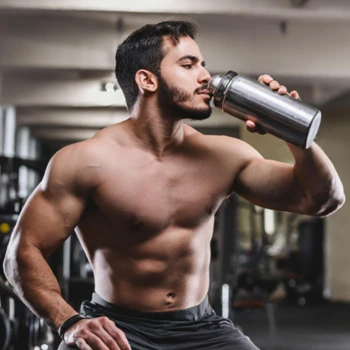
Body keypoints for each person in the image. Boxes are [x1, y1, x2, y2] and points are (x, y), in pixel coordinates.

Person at [3, 20, 345, 350]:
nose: (205, 76)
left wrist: (292, 130)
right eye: (188, 64)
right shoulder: (86, 161)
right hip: (116, 327)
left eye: (203, 64)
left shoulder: (223, 155)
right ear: (147, 80)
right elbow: (21, 253)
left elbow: (322, 200)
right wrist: (69, 322)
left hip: (202, 328)